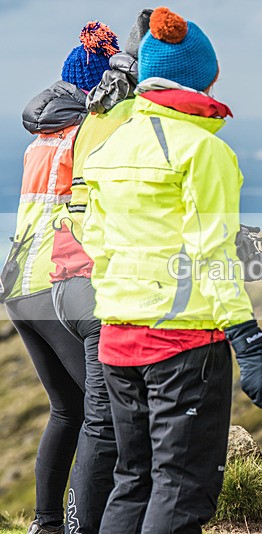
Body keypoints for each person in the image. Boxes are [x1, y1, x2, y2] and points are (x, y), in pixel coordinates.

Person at [80, 7, 262, 532]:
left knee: (134, 478)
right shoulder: (204, 150)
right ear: (204, 76)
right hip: (184, 345)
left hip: (116, 339)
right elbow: (213, 252)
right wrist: (249, 341)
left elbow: (95, 244)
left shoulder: (109, 148)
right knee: (181, 486)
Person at [0, 21, 118, 534]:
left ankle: (45, 523)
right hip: (59, 285)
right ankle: (80, 525)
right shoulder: (90, 137)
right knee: (101, 415)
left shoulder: (39, 141)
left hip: (17, 285)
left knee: (65, 410)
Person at [49, 10, 151, 534]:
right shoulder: (126, 119)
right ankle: (83, 526)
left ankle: (74, 521)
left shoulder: (77, 126)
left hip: (63, 283)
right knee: (106, 421)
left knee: (91, 415)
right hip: (98, 284)